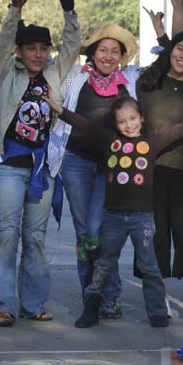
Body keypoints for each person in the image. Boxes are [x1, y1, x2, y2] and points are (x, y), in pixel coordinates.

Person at [48, 92, 183, 328]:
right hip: (113, 218)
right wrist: (59, 109)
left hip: (142, 220)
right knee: (104, 263)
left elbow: (182, 128)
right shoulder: (109, 141)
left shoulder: (151, 143)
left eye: (133, 119)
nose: (128, 125)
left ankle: (156, 312)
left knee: (149, 265)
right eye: (122, 121)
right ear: (115, 124)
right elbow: (84, 124)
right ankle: (91, 309)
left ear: (141, 118)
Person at [0, 0, 81, 328]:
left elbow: (73, 44)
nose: (38, 53)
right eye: (31, 48)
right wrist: (15, 11)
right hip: (11, 165)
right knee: (7, 234)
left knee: (35, 239)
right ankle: (1, 306)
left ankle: (33, 303)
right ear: (21, 51)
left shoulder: (55, 74)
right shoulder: (7, 75)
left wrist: (69, 9)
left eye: (43, 48)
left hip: (43, 168)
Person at [48, 22, 142, 321]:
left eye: (115, 51)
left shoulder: (131, 79)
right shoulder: (75, 77)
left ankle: (109, 295)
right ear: (92, 51)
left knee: (100, 231)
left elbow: (168, 60)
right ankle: (91, 293)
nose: (109, 55)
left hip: (113, 166)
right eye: (103, 49)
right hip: (75, 160)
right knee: (83, 232)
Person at [135, 15, 183, 320]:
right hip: (150, 168)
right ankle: (160, 297)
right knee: (155, 235)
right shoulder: (148, 82)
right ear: (171, 50)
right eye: (180, 49)